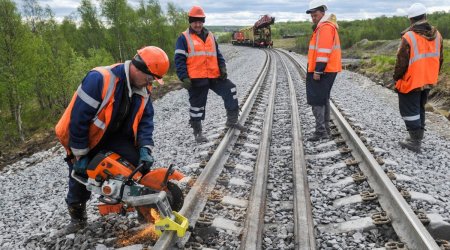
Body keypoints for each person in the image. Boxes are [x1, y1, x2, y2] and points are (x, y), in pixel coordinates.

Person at [54, 46, 170, 234]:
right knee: (80, 177)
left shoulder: (144, 87)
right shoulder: (99, 79)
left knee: (139, 168)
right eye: (150, 78)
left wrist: (145, 148)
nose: (151, 83)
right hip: (86, 138)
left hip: (115, 136)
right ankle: (78, 219)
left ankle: (144, 212)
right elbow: (78, 120)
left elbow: (146, 121)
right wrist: (80, 155)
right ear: (138, 68)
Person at [174, 5, 246, 143]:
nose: (198, 24)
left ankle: (232, 121)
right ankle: (198, 132)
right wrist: (183, 77)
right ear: (190, 21)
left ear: (203, 21)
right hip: (196, 78)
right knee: (197, 106)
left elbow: (217, 54)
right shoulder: (183, 38)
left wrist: (222, 68)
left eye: (200, 21)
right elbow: (179, 60)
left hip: (214, 76)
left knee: (231, 89)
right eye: (195, 21)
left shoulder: (210, 36)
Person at [393, 3, 443, 153]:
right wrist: (432, 74)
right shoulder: (438, 35)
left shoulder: (409, 36)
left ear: (411, 20)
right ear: (425, 16)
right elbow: (440, 59)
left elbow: (401, 62)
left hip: (412, 80)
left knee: (409, 110)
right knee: (420, 107)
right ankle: (417, 137)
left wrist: (396, 78)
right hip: (428, 79)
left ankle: (415, 142)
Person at [305, 0, 342, 141]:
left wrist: (318, 71)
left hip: (323, 70)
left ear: (322, 13)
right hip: (328, 69)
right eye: (312, 16)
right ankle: (325, 129)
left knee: (316, 100)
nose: (313, 18)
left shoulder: (325, 27)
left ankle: (321, 131)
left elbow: (324, 51)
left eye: (315, 15)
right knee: (323, 99)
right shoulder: (324, 26)